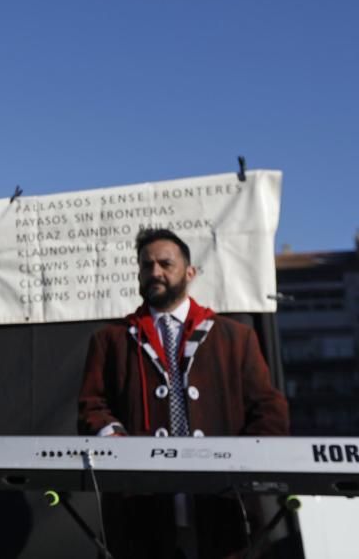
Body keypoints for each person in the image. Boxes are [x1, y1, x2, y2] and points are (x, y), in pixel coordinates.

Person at [78, 228, 289, 559]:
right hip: (141, 509)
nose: (155, 273)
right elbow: (92, 405)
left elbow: (268, 409)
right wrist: (113, 439)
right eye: (147, 265)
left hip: (224, 505)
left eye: (166, 263)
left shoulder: (235, 338)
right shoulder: (111, 340)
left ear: (190, 272)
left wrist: (245, 465)